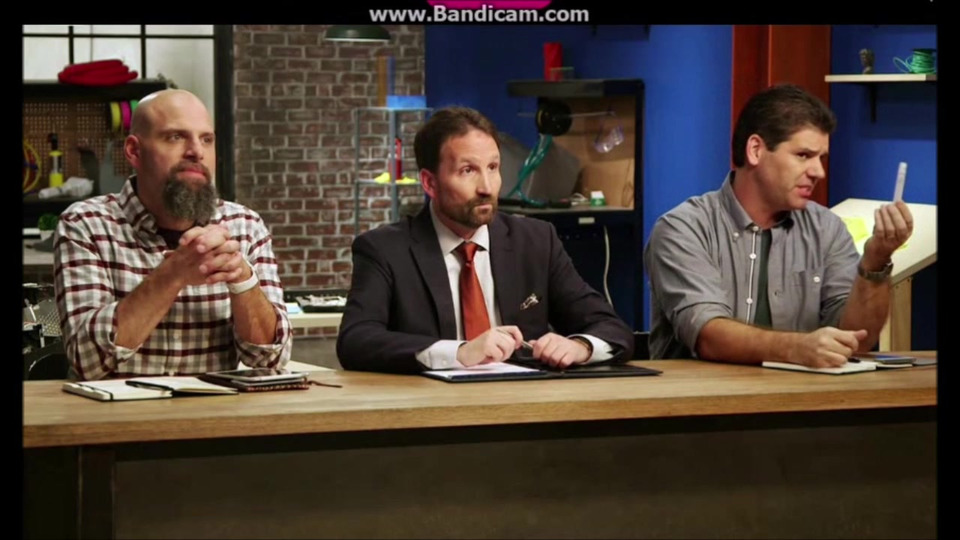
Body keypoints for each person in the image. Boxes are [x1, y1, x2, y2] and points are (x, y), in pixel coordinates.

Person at [336, 106, 634, 374]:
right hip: (431, 408)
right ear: (429, 182)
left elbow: (611, 328)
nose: (487, 187)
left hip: (525, 406)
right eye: (468, 171)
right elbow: (356, 341)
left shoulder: (536, 241)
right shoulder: (385, 249)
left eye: (493, 167)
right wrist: (459, 352)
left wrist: (580, 346)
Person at [644, 84, 913, 367]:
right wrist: (797, 348)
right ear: (756, 150)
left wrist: (875, 260)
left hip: (803, 395)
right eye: (803, 155)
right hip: (702, 394)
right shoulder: (683, 229)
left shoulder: (827, 229)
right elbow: (708, 335)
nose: (819, 172)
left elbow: (856, 337)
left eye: (821, 158)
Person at [54, 89, 292, 380]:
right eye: (176, 137)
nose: (196, 151)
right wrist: (173, 274)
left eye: (207, 139)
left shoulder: (245, 225)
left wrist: (243, 278)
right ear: (134, 151)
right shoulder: (86, 224)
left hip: (216, 408)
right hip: (118, 409)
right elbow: (87, 360)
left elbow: (270, 360)